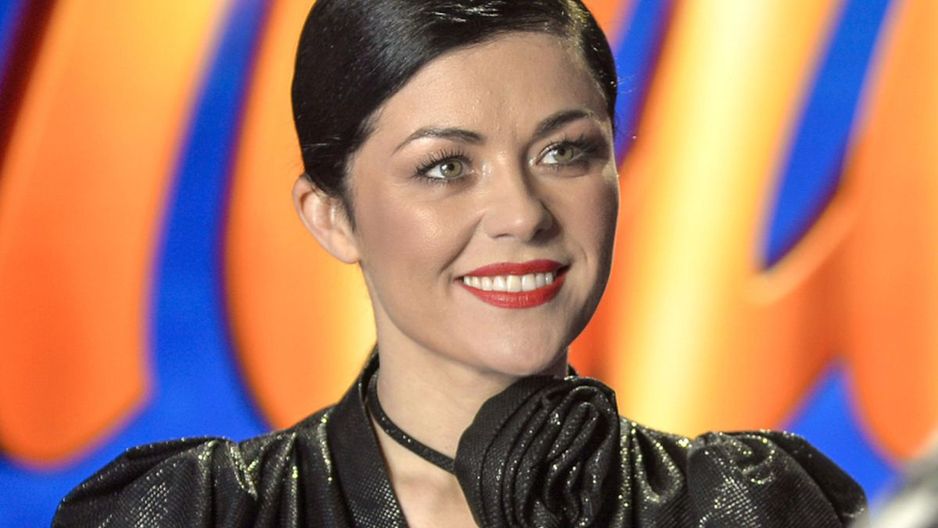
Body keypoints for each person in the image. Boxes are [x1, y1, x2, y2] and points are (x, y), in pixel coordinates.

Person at [53, 0, 867, 526]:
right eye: (445, 166)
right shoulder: (197, 513)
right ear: (332, 215)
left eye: (565, 152)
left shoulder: (747, 507)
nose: (522, 213)